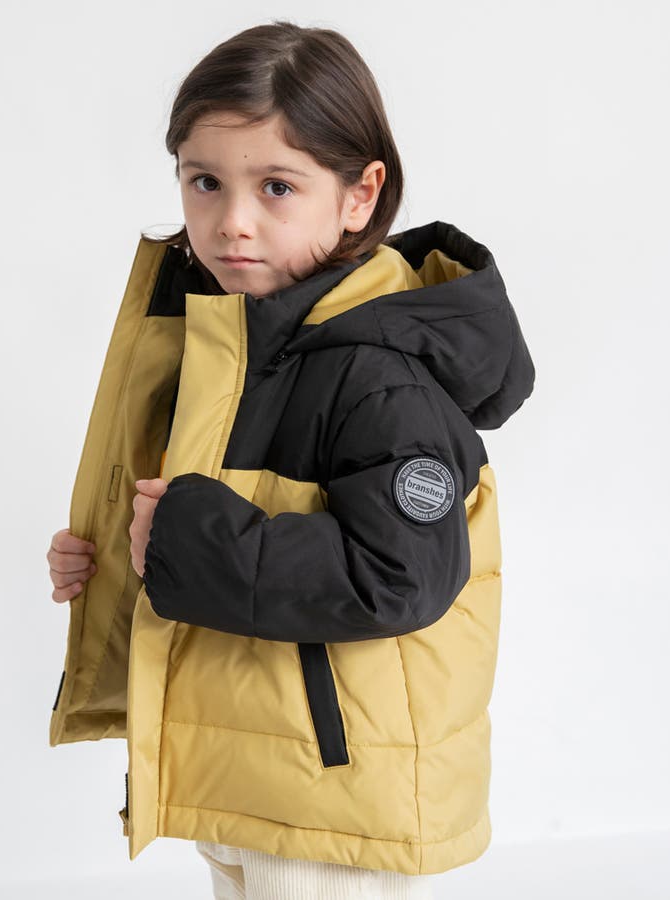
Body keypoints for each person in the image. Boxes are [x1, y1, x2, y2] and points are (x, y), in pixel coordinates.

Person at [46, 19, 535, 900]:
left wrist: (182, 541)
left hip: (332, 796)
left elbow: (398, 576)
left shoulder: (379, 376)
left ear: (359, 195)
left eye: (276, 186)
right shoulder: (235, 345)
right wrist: (118, 553)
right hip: (251, 768)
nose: (231, 222)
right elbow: (208, 516)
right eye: (204, 181)